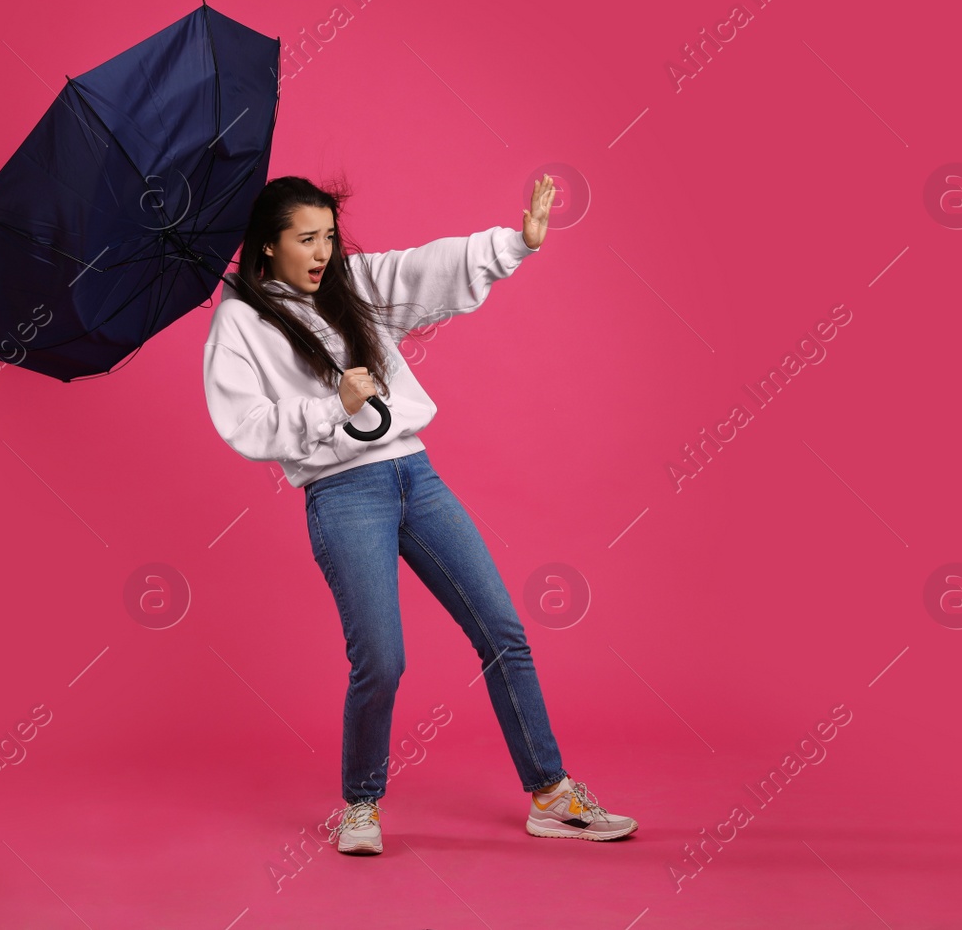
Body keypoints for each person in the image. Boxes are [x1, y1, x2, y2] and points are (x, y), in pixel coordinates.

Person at [202, 173, 637, 855]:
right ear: (265, 247)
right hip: (343, 493)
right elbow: (246, 423)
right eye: (307, 239)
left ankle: (551, 794)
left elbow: (423, 270)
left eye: (330, 236)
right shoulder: (240, 320)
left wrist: (513, 244)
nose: (323, 251)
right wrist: (332, 407)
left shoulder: (352, 285)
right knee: (382, 657)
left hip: (416, 474)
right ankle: (361, 804)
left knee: (503, 630)